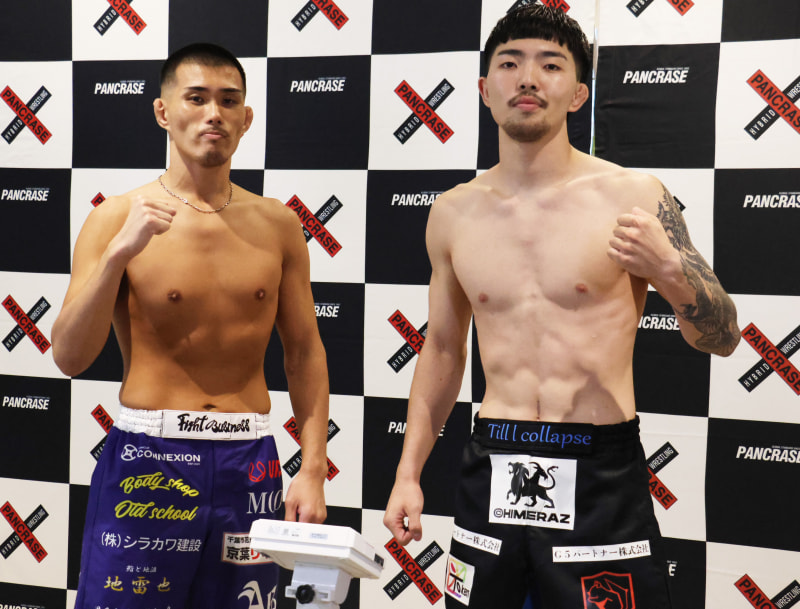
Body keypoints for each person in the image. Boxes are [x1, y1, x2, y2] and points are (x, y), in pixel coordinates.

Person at [383, 6, 740, 609]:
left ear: (578, 94)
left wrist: (670, 270)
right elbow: (442, 348)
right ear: (484, 89)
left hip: (599, 466)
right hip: (493, 456)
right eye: (510, 63)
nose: (528, 78)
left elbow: (723, 336)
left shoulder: (634, 196)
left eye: (550, 65)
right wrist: (407, 473)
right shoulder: (453, 212)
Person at [52, 43, 329, 609]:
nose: (213, 114)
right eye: (196, 98)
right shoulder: (115, 218)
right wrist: (118, 255)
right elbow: (69, 357)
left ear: (246, 118)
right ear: (163, 111)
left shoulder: (277, 224)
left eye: (229, 101)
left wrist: (314, 469)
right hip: (148, 458)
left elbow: (304, 352)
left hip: (248, 461)